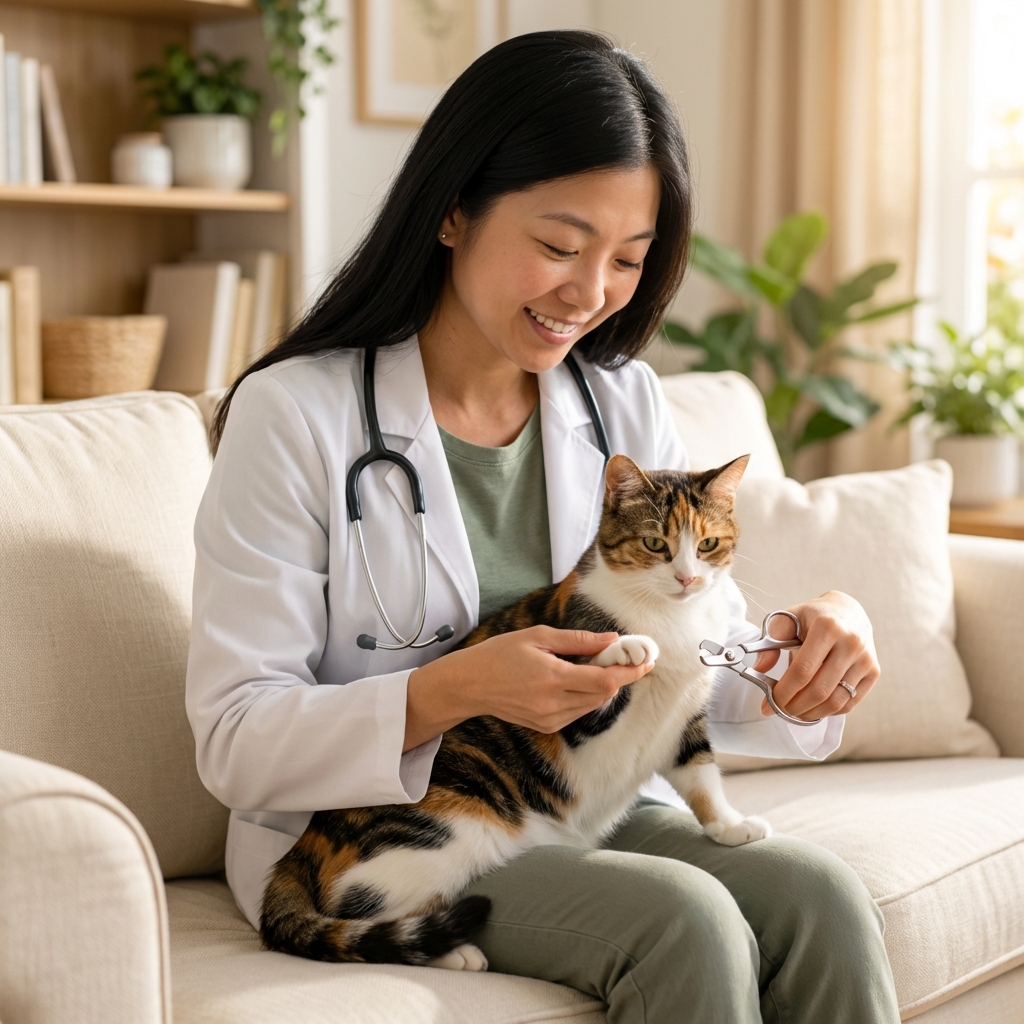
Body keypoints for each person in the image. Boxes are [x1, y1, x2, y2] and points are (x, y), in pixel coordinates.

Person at [186, 30, 900, 1024]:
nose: (590, 292)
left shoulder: (618, 402)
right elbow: (233, 737)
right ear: (451, 213)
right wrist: (449, 690)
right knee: (683, 921)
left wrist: (805, 652)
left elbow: (696, 651)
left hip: (592, 797)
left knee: (820, 898)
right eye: (559, 246)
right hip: (403, 831)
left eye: (627, 259)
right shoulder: (293, 415)